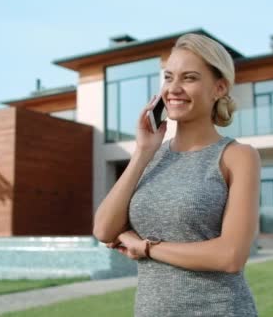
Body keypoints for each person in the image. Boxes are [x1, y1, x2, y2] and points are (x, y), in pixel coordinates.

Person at [93, 33, 261, 316]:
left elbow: (231, 256)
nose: (174, 88)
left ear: (219, 88)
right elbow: (103, 230)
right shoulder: (150, 157)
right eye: (169, 77)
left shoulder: (238, 156)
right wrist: (143, 152)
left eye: (189, 78)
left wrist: (145, 248)